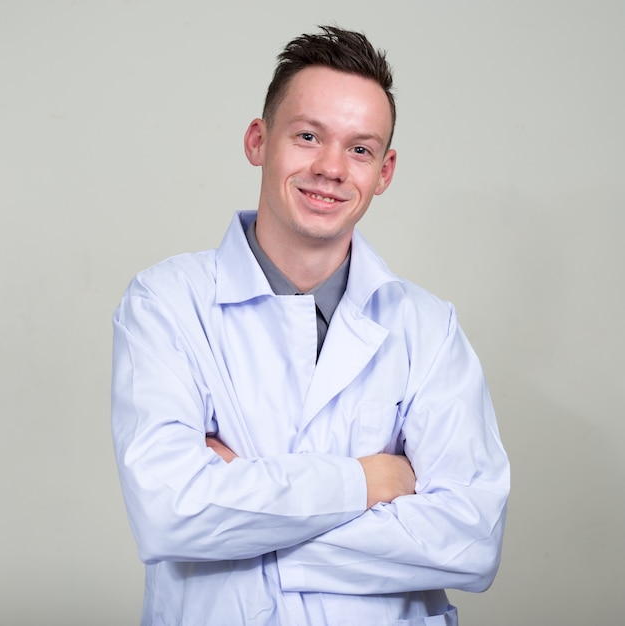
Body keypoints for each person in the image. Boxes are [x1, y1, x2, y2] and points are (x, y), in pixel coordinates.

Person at [111, 25, 509, 626]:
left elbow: (470, 541)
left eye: (359, 149)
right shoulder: (166, 302)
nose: (331, 168)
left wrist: (243, 513)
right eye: (307, 136)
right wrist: (370, 480)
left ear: (385, 170)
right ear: (257, 140)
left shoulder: (427, 329)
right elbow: (170, 512)